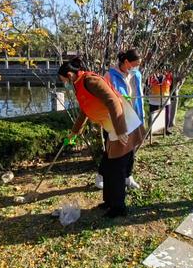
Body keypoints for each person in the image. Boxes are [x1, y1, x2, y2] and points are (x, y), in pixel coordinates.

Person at [59, 57, 145, 218]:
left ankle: (118, 208)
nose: (64, 84)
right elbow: (85, 110)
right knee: (107, 166)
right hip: (112, 128)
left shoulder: (90, 80)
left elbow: (112, 100)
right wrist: (74, 133)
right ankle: (109, 202)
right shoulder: (79, 85)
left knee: (116, 169)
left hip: (124, 125)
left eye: (63, 80)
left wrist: (120, 131)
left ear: (70, 75)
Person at [94, 48, 144, 190]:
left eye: (138, 65)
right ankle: (101, 175)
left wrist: (141, 116)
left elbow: (139, 96)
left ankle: (128, 176)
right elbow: (104, 99)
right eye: (134, 64)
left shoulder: (136, 75)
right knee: (111, 150)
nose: (136, 67)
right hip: (114, 119)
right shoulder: (110, 76)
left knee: (131, 149)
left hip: (133, 118)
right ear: (126, 61)